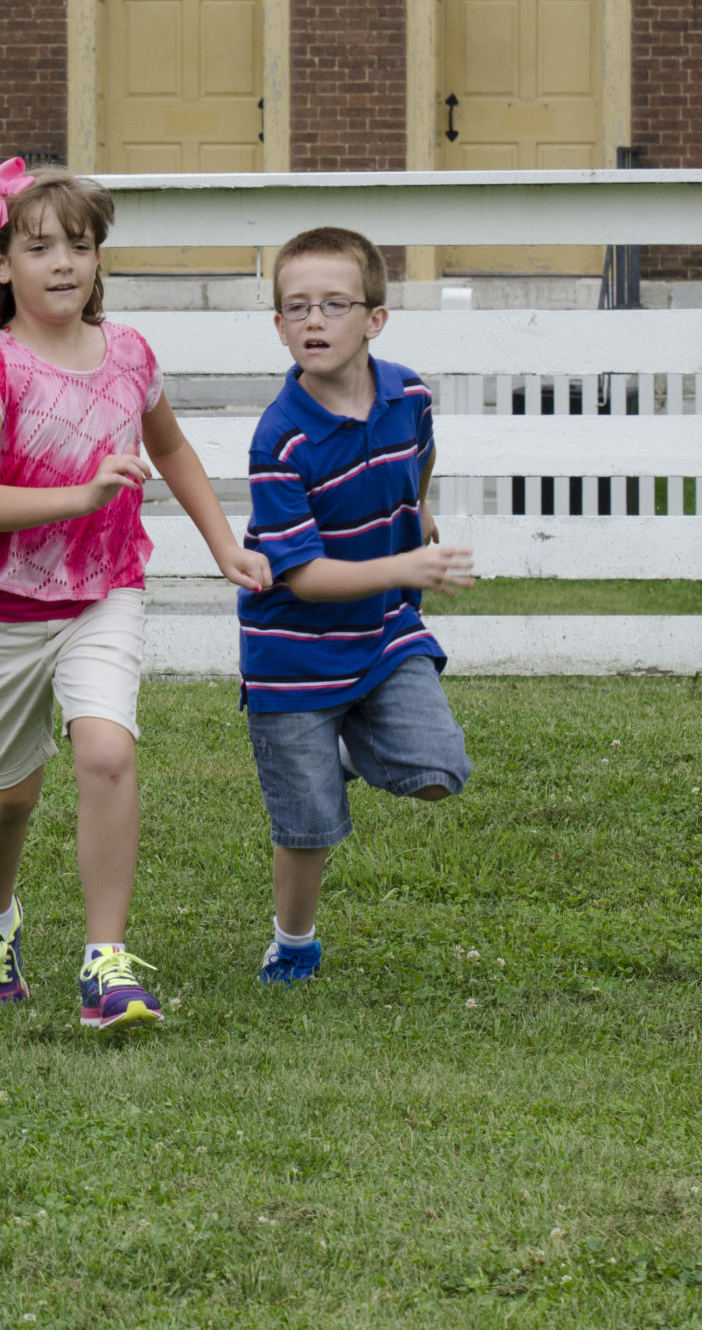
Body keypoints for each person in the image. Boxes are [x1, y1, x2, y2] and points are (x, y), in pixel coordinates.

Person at [0, 162, 271, 1027]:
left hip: (103, 594)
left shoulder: (129, 354)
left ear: (97, 262)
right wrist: (82, 494)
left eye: (80, 247)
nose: (63, 263)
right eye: (39, 246)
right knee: (10, 792)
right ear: (0, 262)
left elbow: (172, 451)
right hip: (2, 609)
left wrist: (224, 547)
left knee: (105, 752)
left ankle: (105, 961)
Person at [239, 226, 478, 984]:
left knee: (441, 771)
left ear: (374, 319)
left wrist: (420, 506)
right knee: (307, 826)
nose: (314, 321)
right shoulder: (280, 441)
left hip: (382, 635)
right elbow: (302, 578)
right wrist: (405, 561)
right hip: (293, 657)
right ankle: (295, 941)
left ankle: (345, 748)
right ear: (278, 326)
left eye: (334, 304)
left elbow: (422, 449)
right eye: (296, 308)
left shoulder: (408, 394)